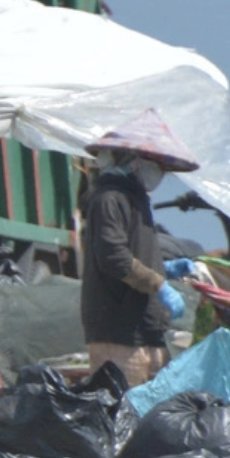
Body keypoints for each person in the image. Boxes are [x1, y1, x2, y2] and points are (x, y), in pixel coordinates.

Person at [77, 113, 196, 388]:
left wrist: (163, 270)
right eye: (155, 165)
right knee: (122, 414)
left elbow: (132, 257)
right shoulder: (109, 199)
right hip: (120, 333)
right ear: (132, 160)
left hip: (147, 331)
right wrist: (159, 285)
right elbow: (113, 258)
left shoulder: (136, 201)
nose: (159, 174)